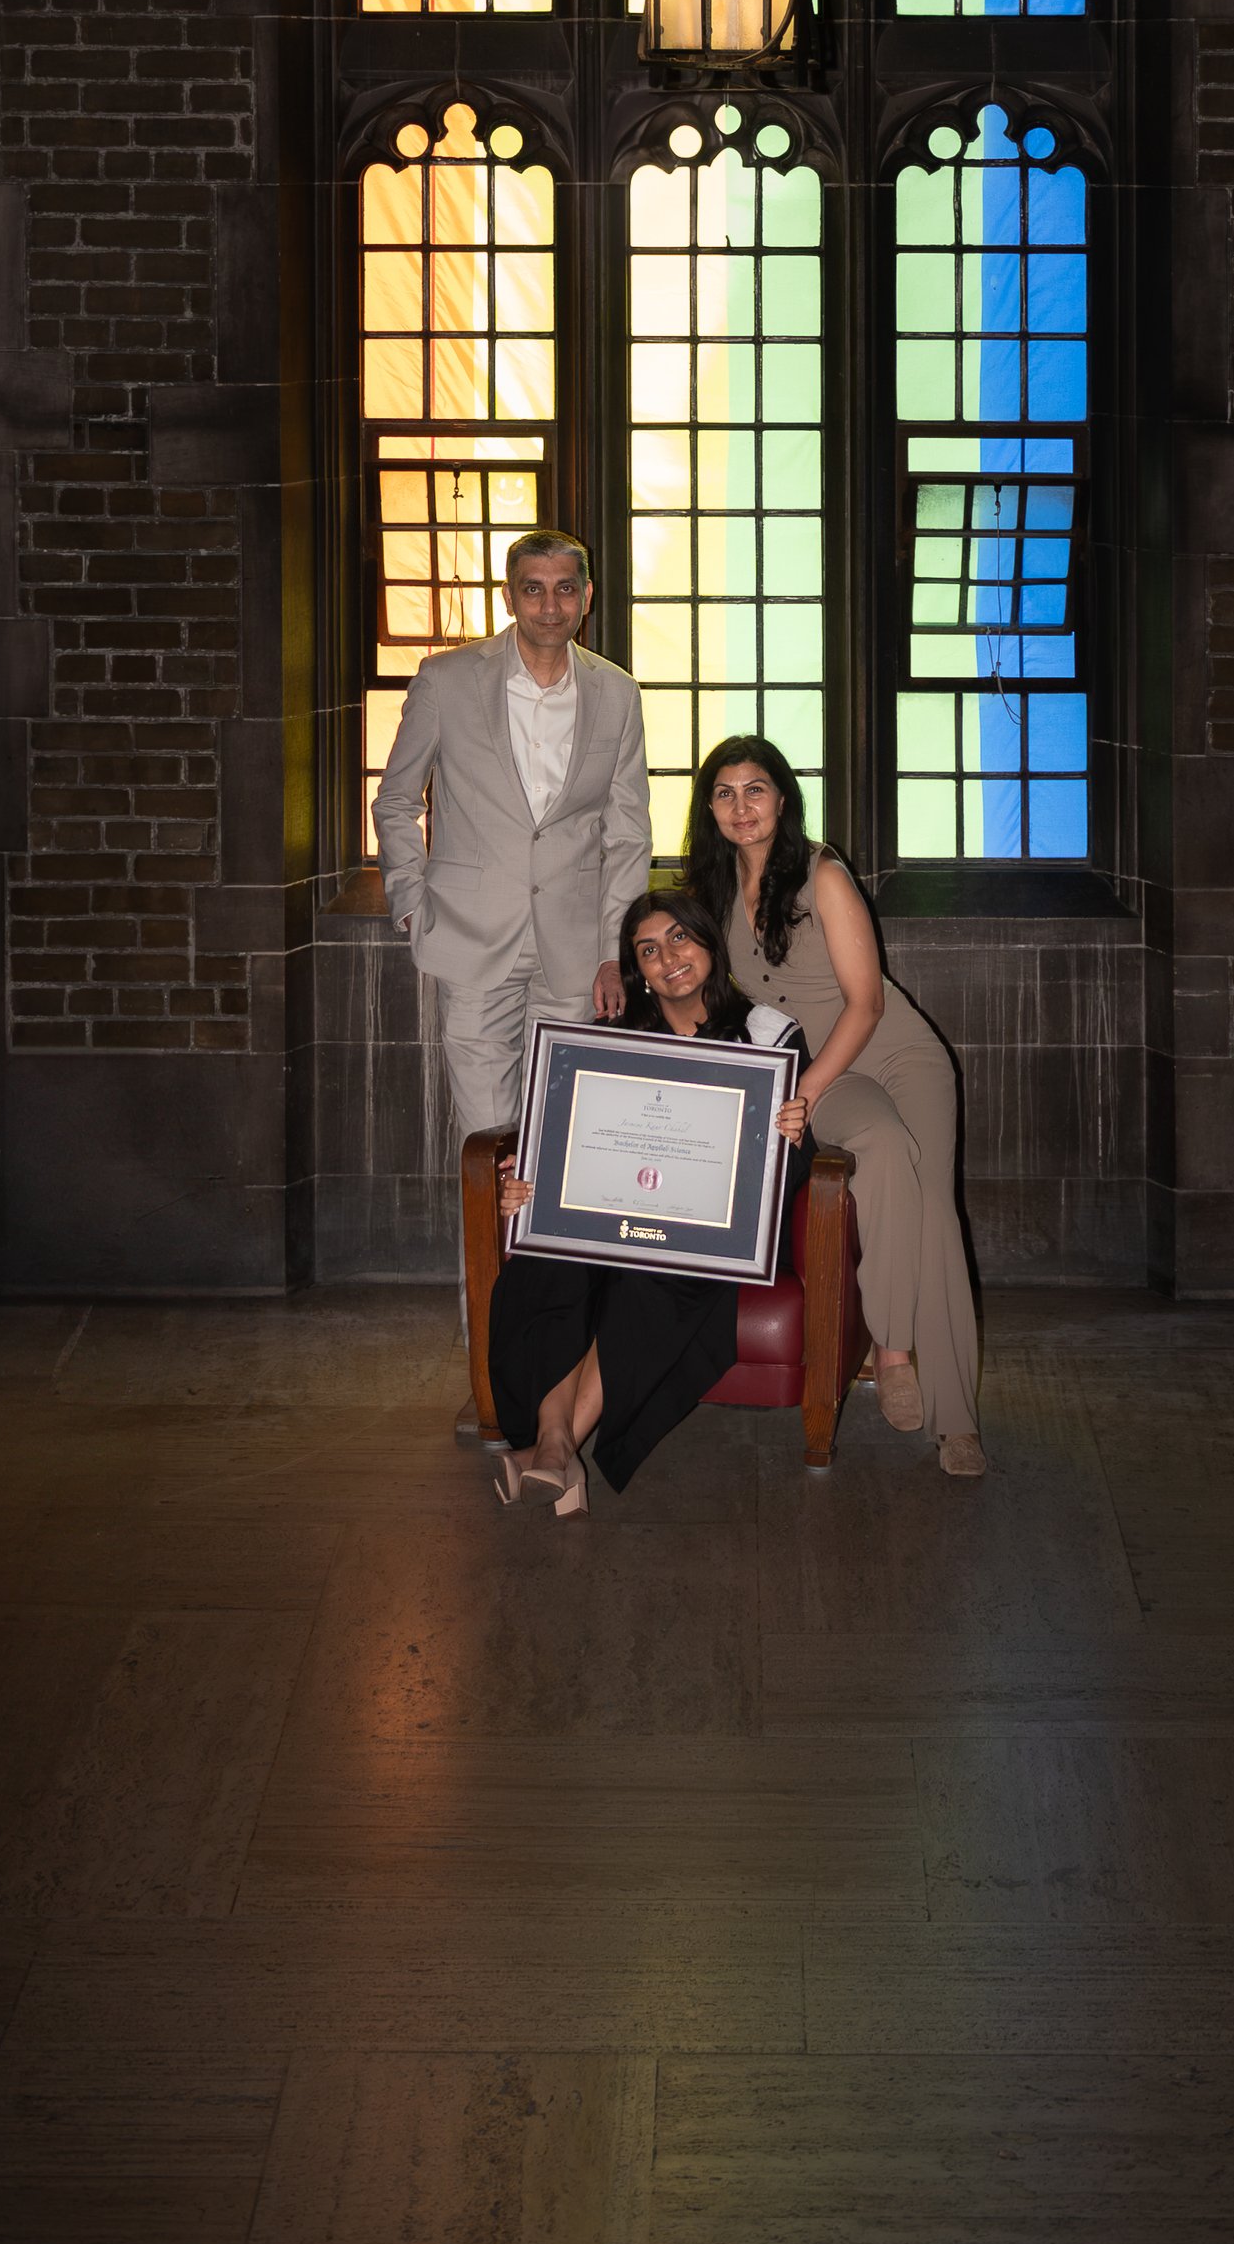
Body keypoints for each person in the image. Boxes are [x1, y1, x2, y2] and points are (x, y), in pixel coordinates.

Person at [689, 736, 986, 1478]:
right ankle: (889, 1344)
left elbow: (868, 1001)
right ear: (710, 810)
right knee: (881, 1150)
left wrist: (805, 1092)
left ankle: (951, 1414)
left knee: (933, 1208)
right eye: (724, 794)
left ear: (782, 799)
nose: (741, 807)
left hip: (892, 1051)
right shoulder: (711, 890)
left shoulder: (821, 873)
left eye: (755, 790)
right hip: (823, 1069)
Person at [486, 889, 808, 1513]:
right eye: (649, 950)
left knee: (651, 1275)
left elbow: (786, 1165)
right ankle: (555, 1451)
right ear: (638, 968)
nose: (669, 958)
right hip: (611, 1215)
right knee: (551, 1258)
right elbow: (569, 1135)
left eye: (680, 938)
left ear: (709, 941)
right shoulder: (615, 1036)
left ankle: (551, 1452)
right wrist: (529, 1178)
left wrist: (790, 1128)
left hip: (702, 1238)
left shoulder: (769, 1035)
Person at [372, 531, 653, 1148]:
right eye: (533, 590)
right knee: (488, 1136)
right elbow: (396, 799)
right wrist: (412, 903)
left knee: (565, 1130)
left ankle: (545, 1249)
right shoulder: (445, 681)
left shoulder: (617, 692)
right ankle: (486, 1247)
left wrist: (615, 949)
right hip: (470, 938)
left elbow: (627, 833)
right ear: (509, 596)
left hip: (577, 954)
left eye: (564, 590)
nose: (549, 607)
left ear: (587, 597)